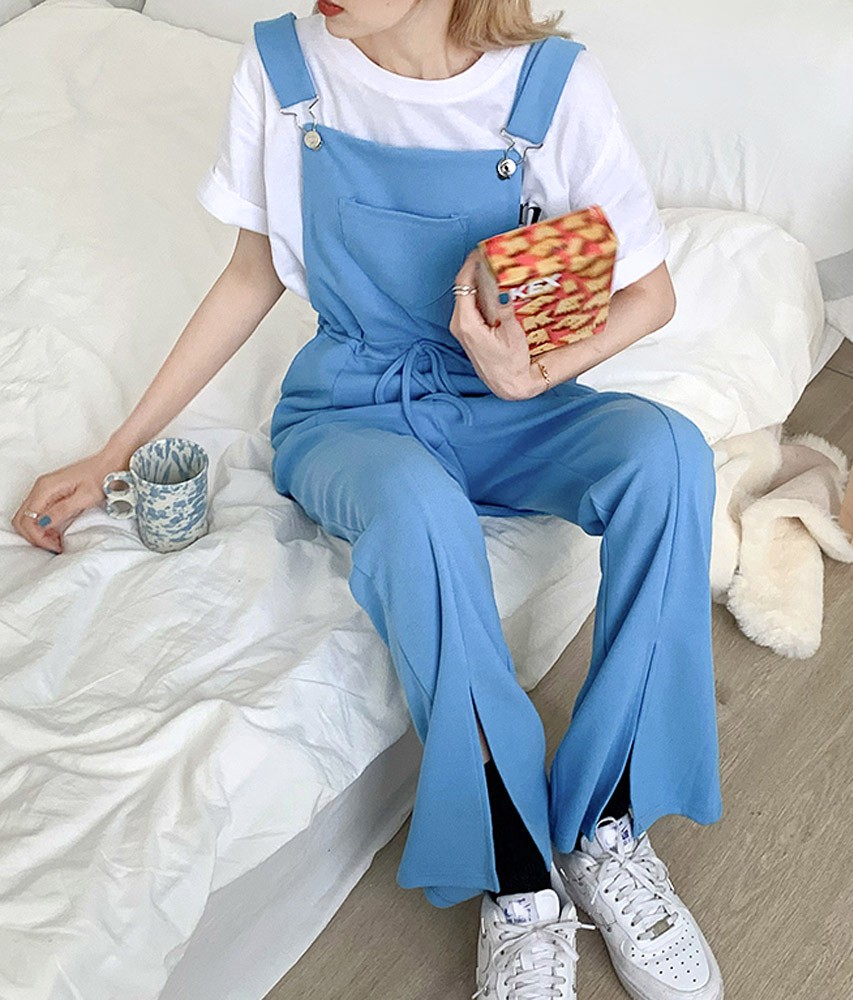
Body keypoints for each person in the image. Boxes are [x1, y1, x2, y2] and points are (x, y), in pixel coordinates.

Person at [11, 1, 724, 997]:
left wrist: (531, 374)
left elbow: (650, 294)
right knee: (419, 511)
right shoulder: (284, 73)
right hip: (349, 411)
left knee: (670, 458)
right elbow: (251, 274)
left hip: (504, 405)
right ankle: (519, 875)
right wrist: (114, 451)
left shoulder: (551, 89)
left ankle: (605, 826)